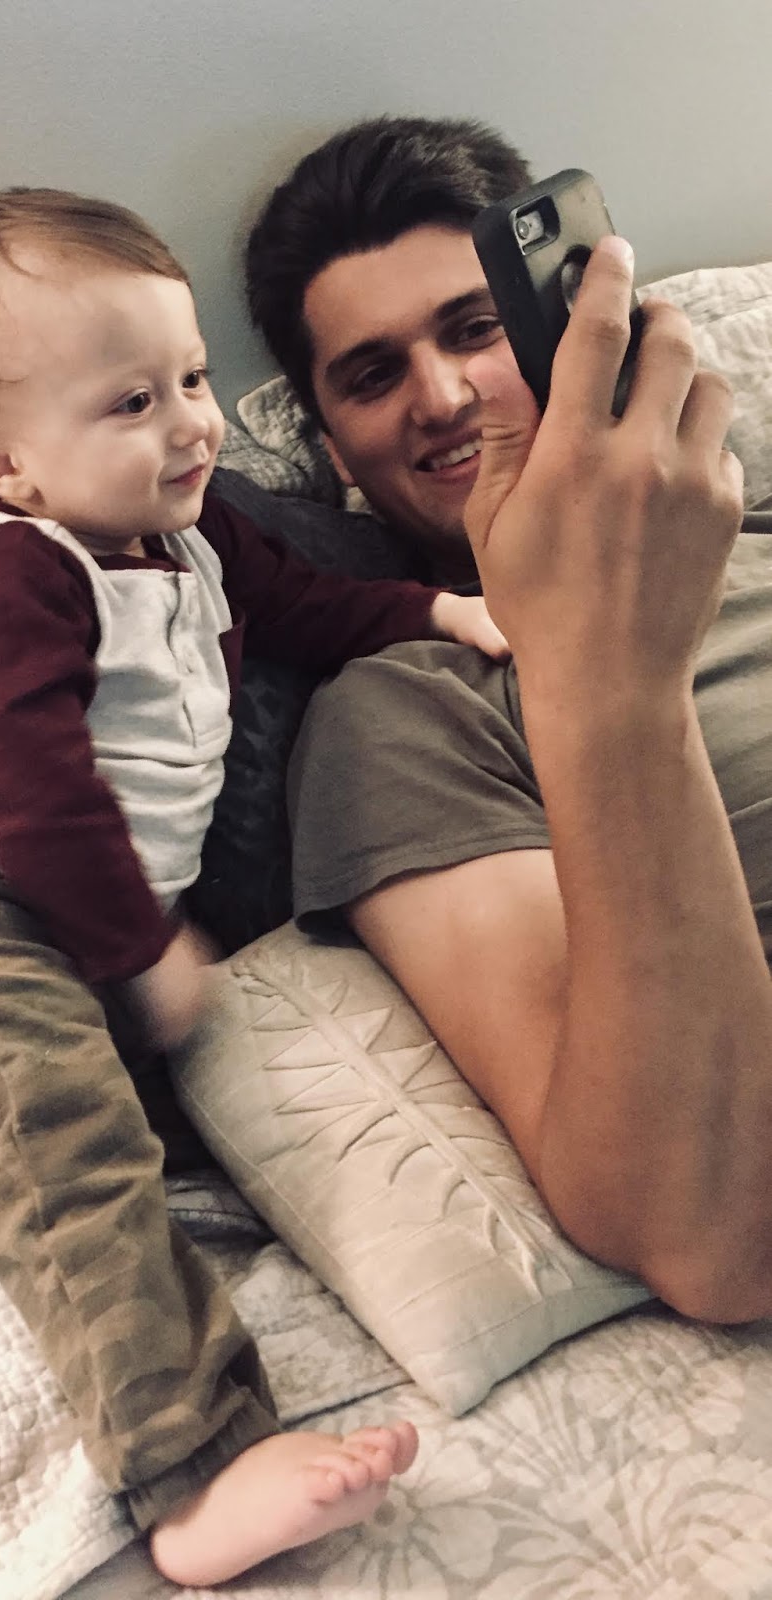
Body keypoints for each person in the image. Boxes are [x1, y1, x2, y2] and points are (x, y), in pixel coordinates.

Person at [0, 184, 524, 1587]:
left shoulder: (195, 543)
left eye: (193, 378)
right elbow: (30, 789)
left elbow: (313, 610)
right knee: (88, 1170)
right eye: (131, 403)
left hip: (78, 917)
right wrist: (140, 942)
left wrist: (440, 609)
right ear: (3, 465)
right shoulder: (6, 581)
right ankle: (192, 1468)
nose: (193, 425)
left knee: (128, 1102)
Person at [244, 115, 772, 1325]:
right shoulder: (399, 712)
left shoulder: (744, 536)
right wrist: (607, 669)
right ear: (333, 454)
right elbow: (706, 1230)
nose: (442, 398)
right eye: (372, 375)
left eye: (475, 329)